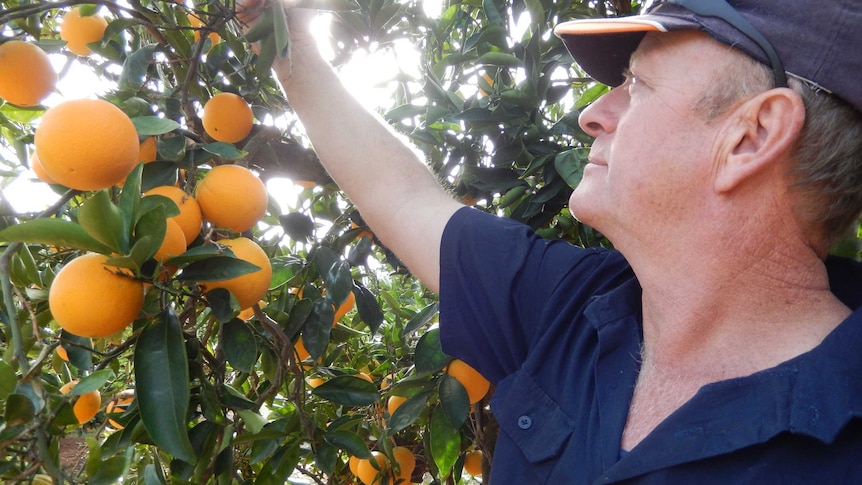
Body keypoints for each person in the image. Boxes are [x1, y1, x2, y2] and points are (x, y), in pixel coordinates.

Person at [240, 0, 862, 482]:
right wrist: (289, 45)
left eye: (638, 84)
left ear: (751, 137)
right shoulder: (567, 308)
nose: (593, 114)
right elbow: (400, 196)